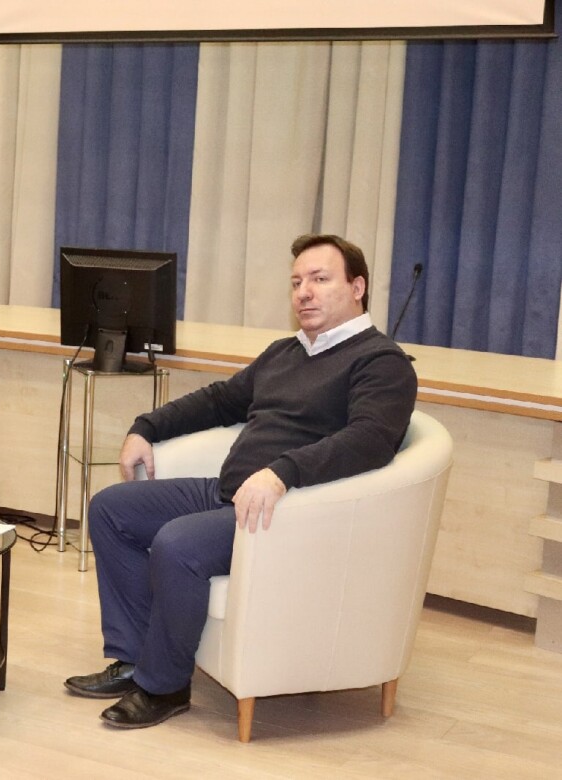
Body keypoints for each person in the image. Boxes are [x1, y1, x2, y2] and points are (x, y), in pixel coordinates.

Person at [63, 234, 418, 728]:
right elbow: (219, 400)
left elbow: (370, 441)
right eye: (297, 282)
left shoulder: (381, 362)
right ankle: (134, 658)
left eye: (320, 279)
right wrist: (146, 427)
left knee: (178, 543)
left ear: (357, 288)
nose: (304, 292)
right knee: (111, 508)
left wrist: (283, 472)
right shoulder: (286, 352)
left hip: (289, 511)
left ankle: (164, 687)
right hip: (228, 493)